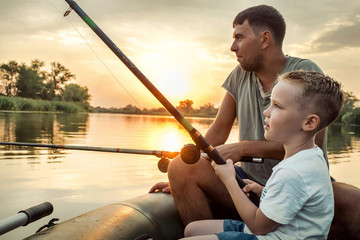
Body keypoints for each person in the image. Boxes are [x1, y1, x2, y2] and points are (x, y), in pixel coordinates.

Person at [149, 4, 360, 238]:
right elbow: (217, 133)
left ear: (265, 39)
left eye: (239, 37)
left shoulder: (304, 73)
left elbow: (312, 144)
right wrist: (185, 176)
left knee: (355, 201)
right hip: (250, 184)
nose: (232, 47)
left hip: (300, 187)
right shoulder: (239, 74)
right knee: (180, 166)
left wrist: (242, 148)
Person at [181, 70, 343, 240]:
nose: (266, 111)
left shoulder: (293, 172)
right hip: (274, 231)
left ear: (309, 122)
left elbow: (258, 226)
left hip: (266, 235)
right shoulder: (311, 157)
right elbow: (294, 199)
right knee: (192, 230)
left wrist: (229, 180)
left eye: (277, 106)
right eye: (270, 103)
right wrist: (264, 191)